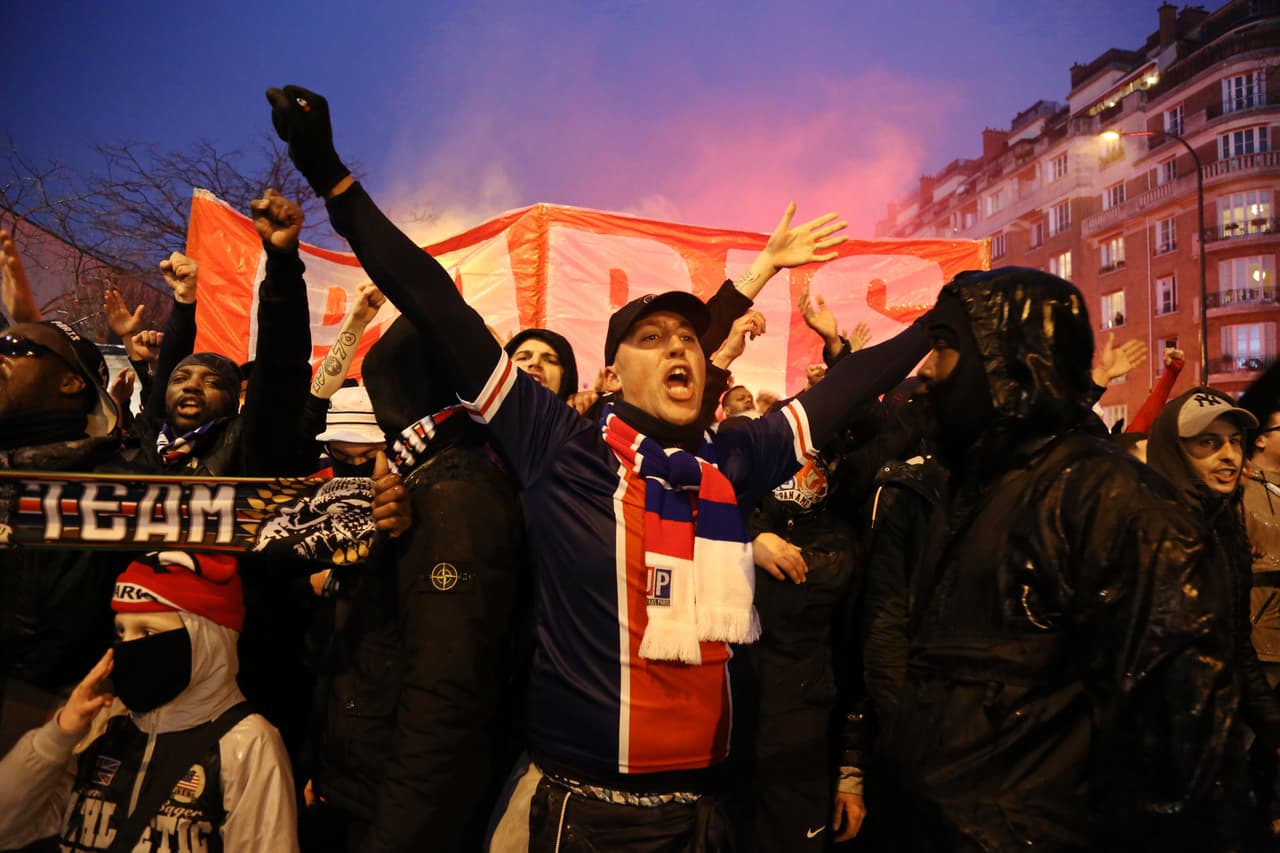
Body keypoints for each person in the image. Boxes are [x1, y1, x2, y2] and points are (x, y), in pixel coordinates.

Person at [264, 82, 928, 851]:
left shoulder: (730, 460)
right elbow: (434, 299)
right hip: (588, 819)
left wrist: (934, 324)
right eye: (651, 338)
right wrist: (331, 177)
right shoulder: (561, 448)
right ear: (609, 376)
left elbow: (846, 389)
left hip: (714, 818)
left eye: (689, 336)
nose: (680, 346)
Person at [888, 267, 1233, 851]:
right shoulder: (973, 496)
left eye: (944, 348)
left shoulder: (1112, 501)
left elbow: (1178, 740)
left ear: (1009, 360)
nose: (925, 370)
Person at [304, 316, 527, 852]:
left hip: (397, 806)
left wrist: (397, 834)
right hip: (365, 783)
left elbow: (444, 694)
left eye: (385, 390)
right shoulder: (420, 479)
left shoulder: (455, 493)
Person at [0, 550, 299, 852]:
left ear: (204, 640)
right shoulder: (100, 723)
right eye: (121, 632)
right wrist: (58, 736)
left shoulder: (247, 742)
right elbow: (4, 827)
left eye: (147, 631)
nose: (129, 647)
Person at [1147, 387, 1280, 847]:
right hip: (1156, 765)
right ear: (1174, 451)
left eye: (1235, 441)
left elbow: (1233, 642)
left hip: (1214, 752)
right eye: (1208, 443)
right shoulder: (1147, 529)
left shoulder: (1225, 527)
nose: (1228, 455)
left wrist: (1272, 729)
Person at [0, 318, 124, 755]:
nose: (2, 353)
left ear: (72, 382)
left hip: (51, 720)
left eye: (15, 347)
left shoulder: (115, 488)